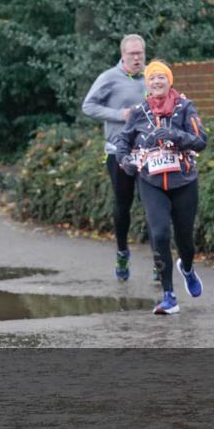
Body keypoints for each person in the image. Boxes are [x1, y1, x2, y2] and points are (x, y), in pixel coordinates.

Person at [116, 60, 207, 315]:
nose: (157, 82)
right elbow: (123, 143)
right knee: (159, 235)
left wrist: (175, 136)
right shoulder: (138, 112)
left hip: (184, 182)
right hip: (151, 183)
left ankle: (187, 268)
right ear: (147, 83)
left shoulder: (185, 108)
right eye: (152, 79)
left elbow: (201, 141)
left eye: (162, 78)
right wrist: (126, 162)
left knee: (185, 240)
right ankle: (169, 295)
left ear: (170, 82)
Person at [82, 33, 154, 282]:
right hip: (119, 152)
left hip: (149, 152)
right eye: (132, 54)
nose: (137, 58)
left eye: (140, 53)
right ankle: (122, 251)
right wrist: (118, 114)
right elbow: (88, 106)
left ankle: (159, 260)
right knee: (123, 205)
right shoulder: (109, 78)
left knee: (153, 205)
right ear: (123, 55)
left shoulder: (152, 76)